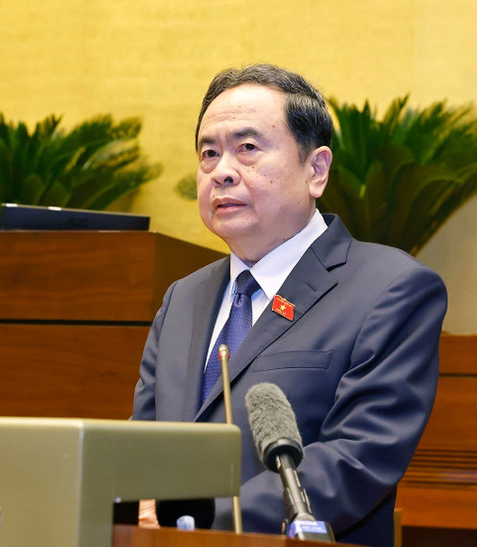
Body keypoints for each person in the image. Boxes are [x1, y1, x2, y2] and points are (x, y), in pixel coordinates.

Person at [132, 64, 447, 546]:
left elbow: (357, 459)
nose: (221, 172)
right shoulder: (183, 298)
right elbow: (142, 444)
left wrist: (195, 520)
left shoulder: (391, 288)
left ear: (315, 170)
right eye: (208, 154)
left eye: (248, 149)